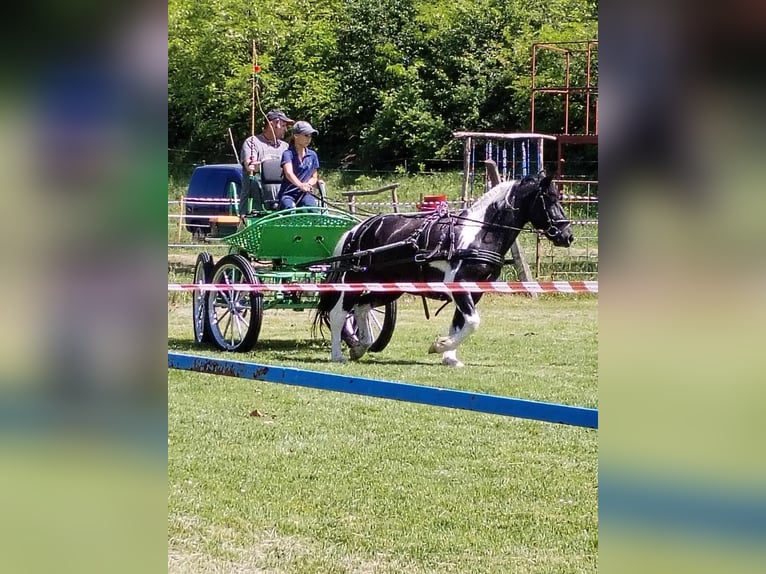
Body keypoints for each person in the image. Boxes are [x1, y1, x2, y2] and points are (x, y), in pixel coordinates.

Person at [238, 109, 293, 216]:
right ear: (273, 123)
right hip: (255, 210)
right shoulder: (252, 142)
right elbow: (250, 167)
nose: (285, 129)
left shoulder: (285, 147)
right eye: (283, 125)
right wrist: (265, 164)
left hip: (280, 208)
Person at [278, 121, 321, 210]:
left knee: (312, 209)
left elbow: (314, 177)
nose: (308, 139)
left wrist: (308, 185)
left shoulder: (312, 155)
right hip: (288, 194)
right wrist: (300, 185)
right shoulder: (288, 154)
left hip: (305, 194)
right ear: (295, 135)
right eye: (306, 135)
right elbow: (289, 173)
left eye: (310, 136)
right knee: (289, 209)